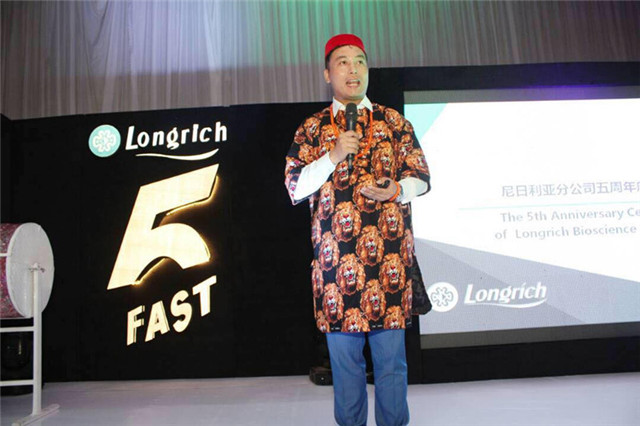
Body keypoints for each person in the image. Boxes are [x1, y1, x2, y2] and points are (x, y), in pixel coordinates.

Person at [284, 34, 430, 426]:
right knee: (345, 368)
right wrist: (333, 155)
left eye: (360, 61)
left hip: (389, 263)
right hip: (337, 269)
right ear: (327, 74)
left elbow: (421, 177)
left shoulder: (393, 121)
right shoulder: (313, 128)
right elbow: (294, 186)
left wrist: (396, 189)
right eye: (344, 62)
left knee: (391, 365)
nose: (354, 70)